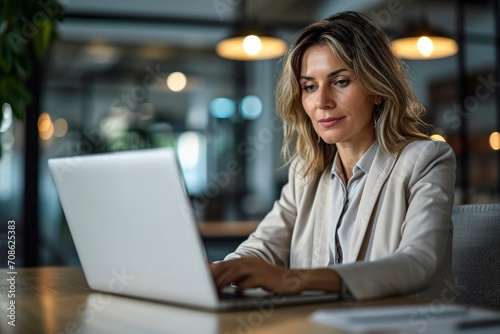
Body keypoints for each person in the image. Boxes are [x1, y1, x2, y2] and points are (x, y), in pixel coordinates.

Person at [211, 11, 457, 301]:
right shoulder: (306, 172)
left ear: (377, 89)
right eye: (309, 87)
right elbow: (262, 248)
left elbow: (416, 264)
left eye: (340, 81)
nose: (322, 102)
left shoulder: (426, 159)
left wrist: (294, 280)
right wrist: (217, 272)